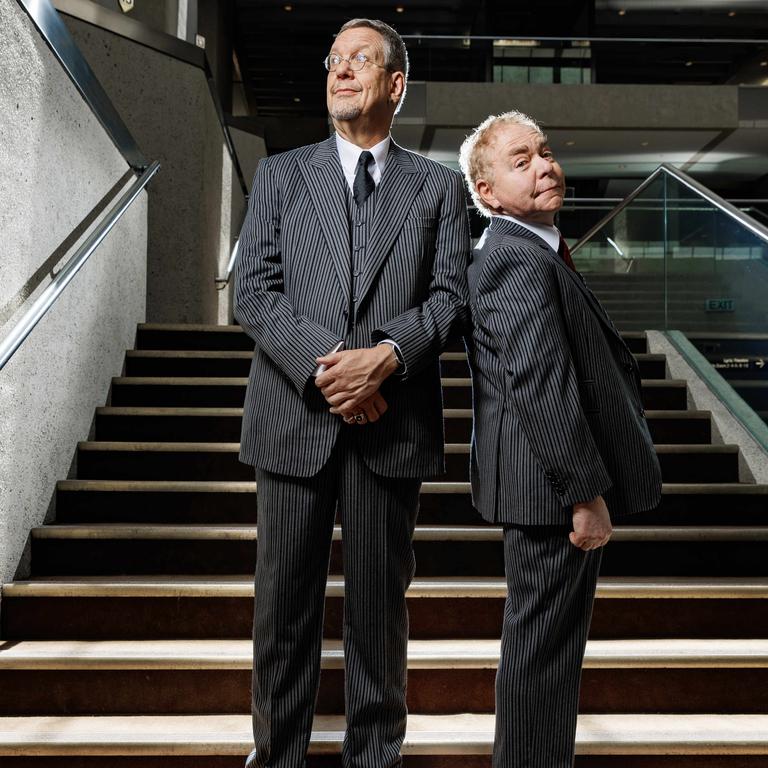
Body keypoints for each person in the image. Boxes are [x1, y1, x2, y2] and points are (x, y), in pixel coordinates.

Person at [234, 18, 470, 768]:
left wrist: (389, 359)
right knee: (283, 615)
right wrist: (337, 368)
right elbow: (254, 292)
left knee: (378, 616)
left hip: (390, 428)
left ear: (395, 86)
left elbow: (450, 297)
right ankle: (278, 758)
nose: (339, 70)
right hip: (294, 420)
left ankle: (376, 758)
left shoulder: (439, 188)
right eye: (333, 60)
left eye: (359, 60)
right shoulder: (279, 175)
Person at [458, 111, 662, 768]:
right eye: (522, 160)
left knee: (549, 656)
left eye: (545, 153)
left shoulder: (534, 251)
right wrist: (584, 493)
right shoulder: (513, 260)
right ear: (487, 192)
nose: (545, 166)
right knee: (542, 660)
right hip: (549, 493)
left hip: (544, 490)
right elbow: (541, 384)